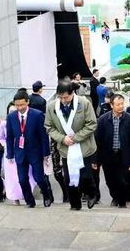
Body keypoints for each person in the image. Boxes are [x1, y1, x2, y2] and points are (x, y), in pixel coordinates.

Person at [45, 80, 99, 211]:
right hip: (66, 148)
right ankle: (74, 204)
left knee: (85, 175)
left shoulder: (84, 103)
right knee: (70, 178)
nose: (63, 100)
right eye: (60, 97)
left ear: (72, 93)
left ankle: (92, 193)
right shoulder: (52, 107)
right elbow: (49, 127)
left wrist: (76, 138)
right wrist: (62, 138)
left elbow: (92, 124)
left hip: (84, 146)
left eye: (66, 97)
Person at [5, 88, 53, 208]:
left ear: (27, 102)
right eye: (17, 105)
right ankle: (29, 200)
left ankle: (47, 194)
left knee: (39, 178)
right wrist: (10, 154)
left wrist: (46, 153)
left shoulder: (37, 115)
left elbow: (43, 136)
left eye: (22, 105)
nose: (20, 107)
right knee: (22, 179)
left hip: (35, 151)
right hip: (20, 152)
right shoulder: (11, 117)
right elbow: (9, 137)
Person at [95, 93, 130, 208]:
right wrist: (96, 160)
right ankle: (115, 197)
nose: (121, 106)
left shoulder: (129, 119)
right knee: (110, 179)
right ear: (111, 105)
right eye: (118, 104)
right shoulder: (103, 120)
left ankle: (127, 200)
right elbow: (98, 141)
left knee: (126, 179)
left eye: (122, 104)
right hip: (108, 155)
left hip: (125, 154)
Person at [0, 101, 37, 205]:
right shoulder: (3, 124)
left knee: (26, 175)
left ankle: (27, 195)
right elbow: (1, 138)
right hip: (10, 153)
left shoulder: (25, 121)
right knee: (12, 177)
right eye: (11, 111)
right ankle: (14, 198)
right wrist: (6, 146)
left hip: (23, 151)